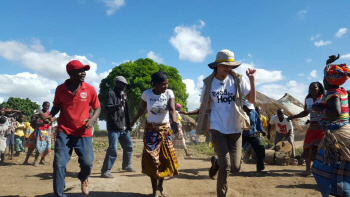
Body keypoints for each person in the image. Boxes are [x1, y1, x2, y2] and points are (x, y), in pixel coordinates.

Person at [192, 49, 256, 197]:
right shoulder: (209, 83)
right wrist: (200, 122)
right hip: (217, 128)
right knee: (226, 166)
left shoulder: (238, 80)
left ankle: (216, 163)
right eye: (225, 65)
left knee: (235, 167)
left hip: (235, 128)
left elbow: (252, 100)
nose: (229, 68)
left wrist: (252, 79)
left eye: (231, 65)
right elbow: (203, 105)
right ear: (218, 65)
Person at [49, 60, 101, 197]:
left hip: (83, 132)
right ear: (71, 73)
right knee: (59, 164)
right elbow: (56, 106)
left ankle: (84, 178)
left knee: (87, 162)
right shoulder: (60, 89)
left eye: (84, 70)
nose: (84, 73)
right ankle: (59, 194)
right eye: (80, 70)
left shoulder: (89, 89)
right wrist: (50, 115)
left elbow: (97, 107)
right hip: (64, 131)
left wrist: (92, 119)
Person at [130, 71, 179, 197]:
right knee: (153, 161)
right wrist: (133, 121)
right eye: (163, 84)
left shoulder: (169, 93)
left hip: (165, 131)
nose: (166, 86)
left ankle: (160, 186)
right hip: (151, 131)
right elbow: (141, 109)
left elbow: (172, 109)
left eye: (167, 84)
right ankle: (154, 191)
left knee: (163, 159)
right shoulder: (147, 94)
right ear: (155, 84)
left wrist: (174, 122)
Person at [311, 54, 350, 196]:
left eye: (324, 79)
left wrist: (318, 109)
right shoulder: (340, 90)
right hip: (341, 132)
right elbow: (327, 75)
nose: (322, 81)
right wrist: (328, 63)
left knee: (322, 168)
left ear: (328, 81)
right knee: (339, 169)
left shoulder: (332, 93)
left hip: (337, 135)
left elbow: (336, 112)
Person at [287, 82, 325, 176]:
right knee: (308, 146)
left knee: (321, 148)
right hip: (312, 126)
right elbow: (305, 112)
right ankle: (308, 170)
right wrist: (294, 116)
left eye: (314, 88)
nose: (312, 90)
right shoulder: (308, 99)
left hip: (323, 126)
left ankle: (320, 169)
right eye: (310, 88)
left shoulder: (324, 97)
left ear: (319, 88)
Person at [101, 76, 135, 178]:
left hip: (124, 127)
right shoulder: (111, 94)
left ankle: (126, 165)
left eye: (125, 85)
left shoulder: (124, 95)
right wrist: (118, 105)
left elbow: (126, 112)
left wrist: (128, 125)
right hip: (114, 127)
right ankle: (105, 171)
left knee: (128, 147)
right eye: (122, 84)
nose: (123, 86)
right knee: (113, 149)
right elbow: (107, 108)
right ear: (116, 83)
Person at [24, 102, 53, 166]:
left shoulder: (49, 114)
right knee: (33, 147)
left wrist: (50, 122)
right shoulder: (38, 113)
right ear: (42, 106)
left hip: (46, 132)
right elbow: (36, 123)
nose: (47, 107)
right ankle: (30, 161)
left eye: (48, 106)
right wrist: (44, 122)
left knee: (45, 147)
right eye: (46, 106)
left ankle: (41, 160)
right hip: (38, 131)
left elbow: (50, 123)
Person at [242, 101, 266, 174]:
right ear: (244, 107)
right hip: (242, 135)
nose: (250, 110)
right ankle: (229, 166)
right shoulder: (239, 113)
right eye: (248, 108)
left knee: (261, 149)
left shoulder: (254, 112)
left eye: (250, 109)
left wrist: (262, 131)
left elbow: (258, 123)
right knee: (234, 150)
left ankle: (260, 168)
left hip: (253, 134)